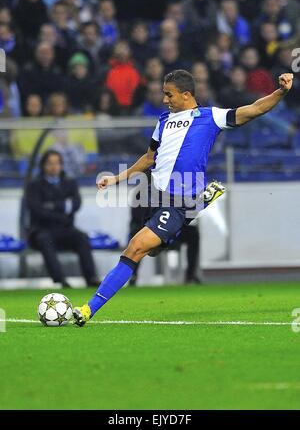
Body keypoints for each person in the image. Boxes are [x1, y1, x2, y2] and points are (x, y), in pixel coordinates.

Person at [72, 69, 293, 326]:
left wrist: (280, 92)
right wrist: (116, 178)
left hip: (179, 198)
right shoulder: (164, 120)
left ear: (186, 94)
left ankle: (88, 309)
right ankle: (198, 205)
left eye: (169, 94)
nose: (165, 99)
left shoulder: (211, 116)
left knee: (135, 247)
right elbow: (149, 158)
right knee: (152, 251)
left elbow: (254, 109)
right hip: (154, 194)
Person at [26, 149, 99, 288]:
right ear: (43, 165)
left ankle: (91, 278)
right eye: (50, 163)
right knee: (44, 240)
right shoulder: (34, 185)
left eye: (57, 163)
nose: (54, 167)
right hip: (41, 229)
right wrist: (63, 208)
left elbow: (76, 204)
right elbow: (37, 211)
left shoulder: (69, 182)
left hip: (65, 228)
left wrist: (51, 206)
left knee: (81, 237)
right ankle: (60, 280)